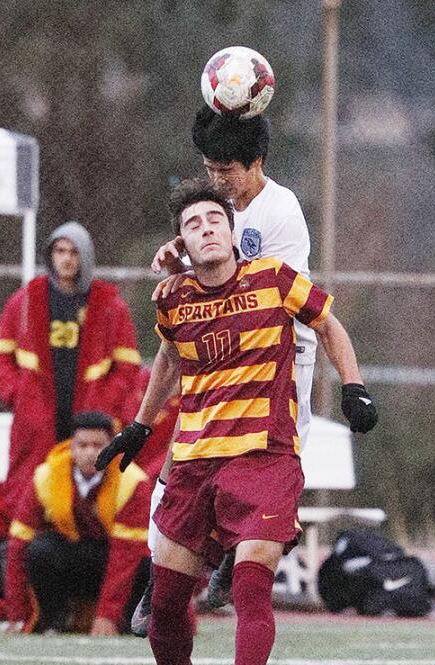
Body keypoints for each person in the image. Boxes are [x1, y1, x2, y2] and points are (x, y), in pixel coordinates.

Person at [97, 179, 378, 665]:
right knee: (164, 609)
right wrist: (142, 426)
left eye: (214, 219)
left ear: (231, 230)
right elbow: (170, 359)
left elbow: (328, 323)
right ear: (183, 239)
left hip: (265, 459)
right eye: (193, 223)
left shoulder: (274, 279)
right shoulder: (172, 298)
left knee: (252, 584)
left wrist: (354, 388)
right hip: (195, 463)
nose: (205, 229)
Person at [132, 106, 318, 635]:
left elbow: (257, 284)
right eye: (210, 169)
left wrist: (190, 262)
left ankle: (236, 564)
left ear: (254, 162)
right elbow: (210, 270)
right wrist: (179, 259)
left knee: (273, 476)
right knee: (178, 465)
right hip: (219, 359)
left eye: (226, 171)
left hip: (279, 364)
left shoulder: (281, 212)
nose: (217, 180)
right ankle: (162, 578)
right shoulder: (217, 209)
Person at [0, 222, 142, 509]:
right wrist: (16, 393)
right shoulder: (24, 300)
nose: (67, 258)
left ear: (85, 256)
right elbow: (0, 354)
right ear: (50, 255)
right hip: (36, 412)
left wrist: (106, 404)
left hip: (88, 414)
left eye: (74, 251)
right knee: (28, 487)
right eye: (60, 250)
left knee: (90, 489)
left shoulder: (109, 305)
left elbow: (127, 365)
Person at [1, 411, 154, 636]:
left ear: (113, 446)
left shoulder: (133, 481)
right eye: (82, 445)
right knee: (40, 549)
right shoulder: (46, 476)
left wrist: (107, 615)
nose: (90, 452)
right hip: (73, 558)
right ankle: (53, 620)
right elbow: (17, 544)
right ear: (70, 447)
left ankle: (128, 620)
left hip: (115, 560)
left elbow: (126, 556)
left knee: (147, 565)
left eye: (98, 445)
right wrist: (16, 614)